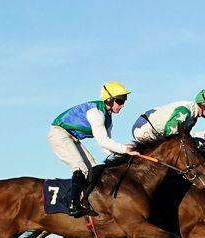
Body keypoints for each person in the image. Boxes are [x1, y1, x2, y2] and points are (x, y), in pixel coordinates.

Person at [48, 82, 139, 217]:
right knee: (80, 168)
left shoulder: (108, 119)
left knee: (94, 169)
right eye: (119, 101)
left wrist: (126, 152)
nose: (122, 105)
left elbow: (106, 147)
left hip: (72, 138)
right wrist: (123, 149)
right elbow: (102, 140)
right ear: (109, 100)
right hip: (59, 133)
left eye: (124, 101)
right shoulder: (96, 112)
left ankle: (86, 202)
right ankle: (74, 205)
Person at [131, 89, 205, 142]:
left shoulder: (194, 118)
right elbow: (169, 133)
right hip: (145, 128)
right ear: (203, 104)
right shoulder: (185, 111)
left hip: (156, 133)